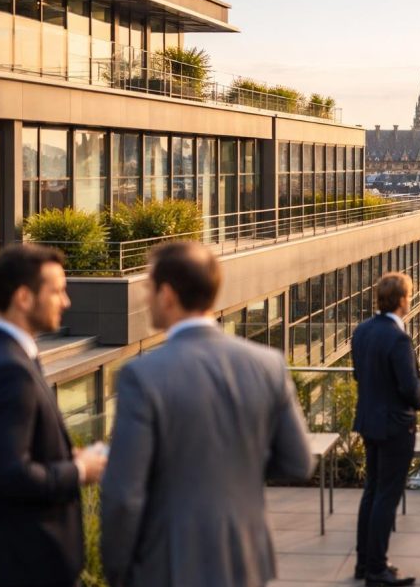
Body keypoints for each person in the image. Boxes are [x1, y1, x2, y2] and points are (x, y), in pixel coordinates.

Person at [101, 241, 313, 587]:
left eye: (148, 288)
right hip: (246, 557)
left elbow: (124, 494)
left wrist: (118, 570)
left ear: (167, 295)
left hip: (170, 562)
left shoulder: (142, 376)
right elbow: (298, 463)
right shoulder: (267, 364)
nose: (145, 298)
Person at [0, 244, 107, 587]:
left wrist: (60, 456)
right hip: (25, 562)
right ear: (23, 297)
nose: (66, 302)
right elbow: (8, 474)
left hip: (0, 559)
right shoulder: (8, 370)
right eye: (57, 291)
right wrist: (79, 469)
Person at [352, 272, 420, 587]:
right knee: (386, 496)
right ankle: (378, 568)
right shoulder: (398, 338)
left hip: (370, 420)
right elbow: (411, 388)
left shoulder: (362, 331)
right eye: (409, 295)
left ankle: (364, 561)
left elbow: (358, 374)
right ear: (401, 300)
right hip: (395, 424)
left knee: (371, 491)